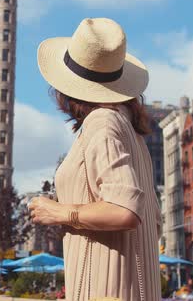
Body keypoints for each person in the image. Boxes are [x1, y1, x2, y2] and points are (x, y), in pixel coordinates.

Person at [28, 18, 161, 300]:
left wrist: (60, 212)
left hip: (102, 290)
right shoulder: (132, 135)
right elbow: (153, 221)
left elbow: (124, 210)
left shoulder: (101, 123)